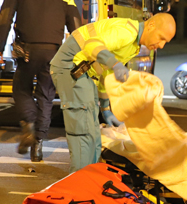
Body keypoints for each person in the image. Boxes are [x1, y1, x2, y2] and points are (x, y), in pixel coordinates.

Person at [51, 13, 176, 172]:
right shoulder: (127, 32)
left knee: (94, 134)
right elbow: (92, 44)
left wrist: (105, 108)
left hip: (84, 72)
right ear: (151, 26)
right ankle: (78, 187)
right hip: (70, 67)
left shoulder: (133, 46)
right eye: (161, 38)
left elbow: (106, 74)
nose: (161, 45)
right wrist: (116, 63)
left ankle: (90, 180)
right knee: (83, 133)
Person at [0, 0, 82, 162]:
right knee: (46, 95)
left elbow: (5, 16)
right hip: (53, 51)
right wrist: (79, 52)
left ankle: (29, 124)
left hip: (26, 50)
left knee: (22, 88)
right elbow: (75, 23)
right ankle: (38, 146)